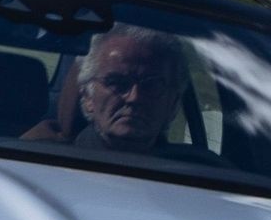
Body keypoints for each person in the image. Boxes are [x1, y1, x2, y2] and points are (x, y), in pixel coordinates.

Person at [70, 24, 188, 153]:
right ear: (88, 96)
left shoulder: (199, 170)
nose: (134, 97)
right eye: (117, 83)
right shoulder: (54, 162)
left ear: (173, 104)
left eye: (151, 85)